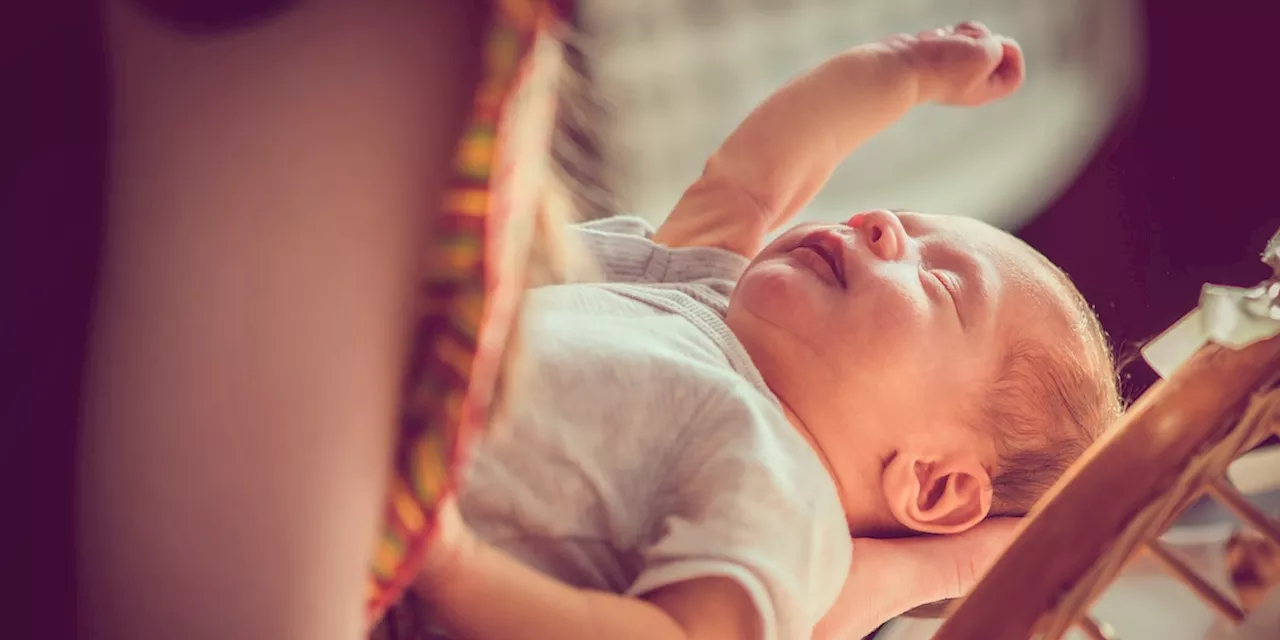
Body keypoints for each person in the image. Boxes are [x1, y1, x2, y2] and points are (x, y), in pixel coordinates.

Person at [409, 21, 1123, 640]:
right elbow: (754, 175)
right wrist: (908, 70)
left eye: (937, 284)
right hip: (372, 406)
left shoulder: (781, 495)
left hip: (390, 557)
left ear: (933, 486)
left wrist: (450, 563)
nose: (878, 224)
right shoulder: (705, 292)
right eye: (903, 220)